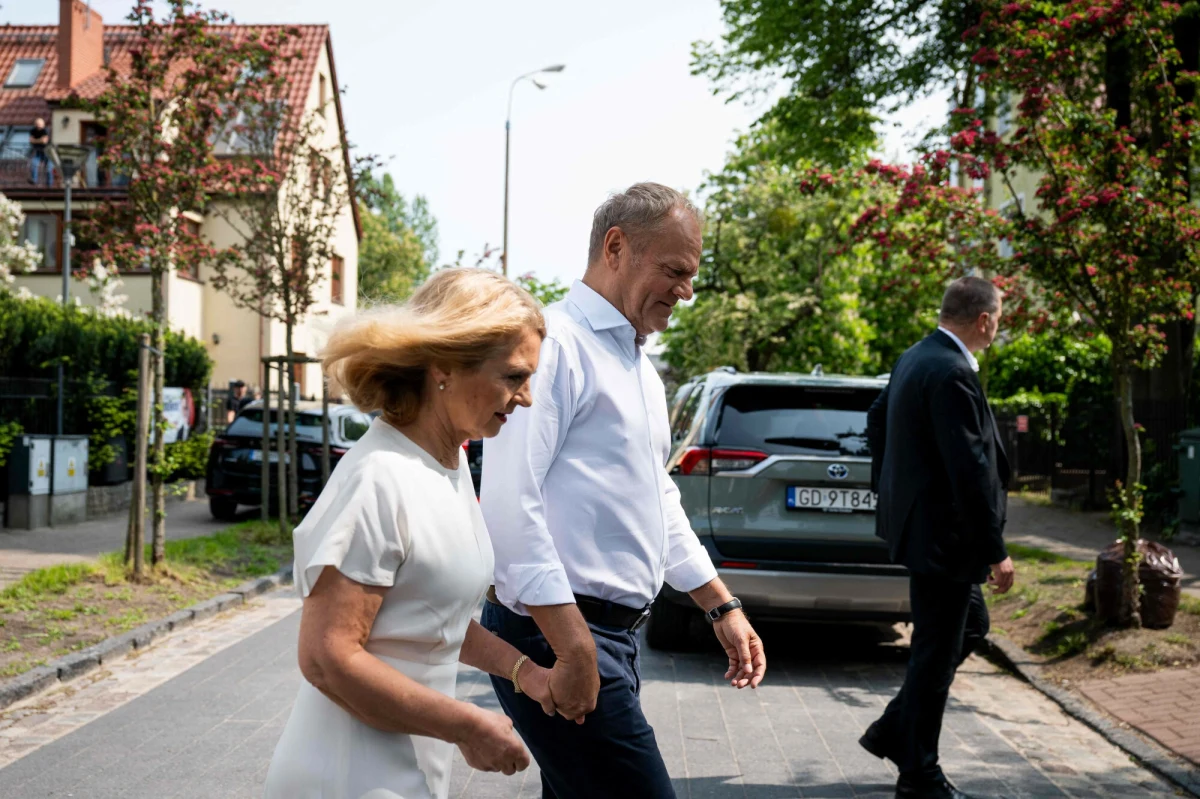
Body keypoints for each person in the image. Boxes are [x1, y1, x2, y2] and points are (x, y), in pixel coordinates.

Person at [480, 182, 767, 799]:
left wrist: (720, 604)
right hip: (557, 635)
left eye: (691, 275)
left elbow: (654, 496)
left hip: (610, 639)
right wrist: (575, 648)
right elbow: (509, 504)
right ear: (616, 247)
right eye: (674, 270)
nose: (685, 292)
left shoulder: (640, 368)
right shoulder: (552, 345)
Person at [264, 269, 556, 799]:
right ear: (445, 364)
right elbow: (326, 658)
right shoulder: (378, 477)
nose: (527, 398)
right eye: (514, 377)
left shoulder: (451, 463)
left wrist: (523, 672)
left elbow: (427, 611)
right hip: (350, 774)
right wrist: (466, 725)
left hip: (409, 768)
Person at [859, 276, 1015, 799]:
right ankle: (918, 774)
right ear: (984, 320)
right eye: (999, 320)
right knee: (934, 652)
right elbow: (969, 469)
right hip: (947, 540)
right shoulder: (949, 371)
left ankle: (893, 730)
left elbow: (877, 418)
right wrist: (996, 550)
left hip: (928, 533)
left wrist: (894, 487)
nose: (998, 328)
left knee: (969, 627)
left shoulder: (916, 356)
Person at [29, 119, 53, 187]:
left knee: (49, 168)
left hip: (47, 153)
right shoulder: (33, 131)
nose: (39, 126)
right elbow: (31, 141)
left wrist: (35, 140)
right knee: (34, 164)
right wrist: (40, 140)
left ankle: (49, 185)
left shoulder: (45, 130)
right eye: (37, 124)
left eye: (40, 125)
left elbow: (44, 141)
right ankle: (34, 180)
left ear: (43, 125)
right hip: (38, 152)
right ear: (35, 124)